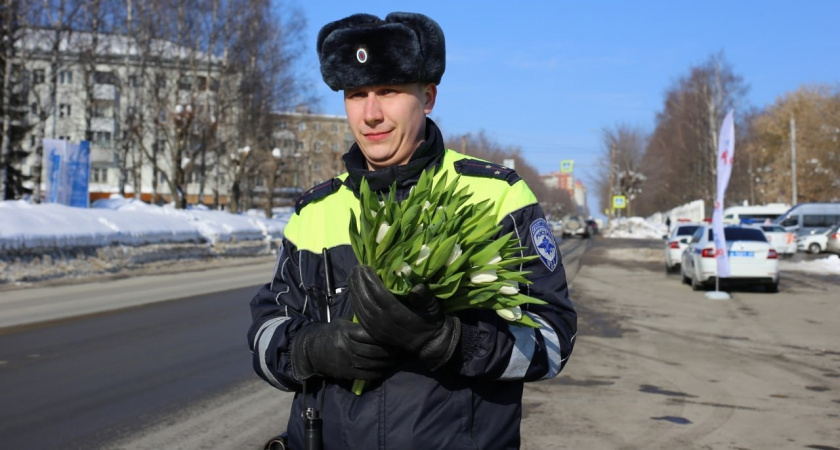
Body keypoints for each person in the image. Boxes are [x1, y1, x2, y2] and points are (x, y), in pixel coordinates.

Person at [247, 12, 577, 449]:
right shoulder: (316, 211)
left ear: (428, 96)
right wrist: (311, 349)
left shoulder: (497, 195)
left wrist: (453, 342)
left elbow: (552, 341)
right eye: (356, 94)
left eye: (388, 91)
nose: (371, 114)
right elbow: (265, 334)